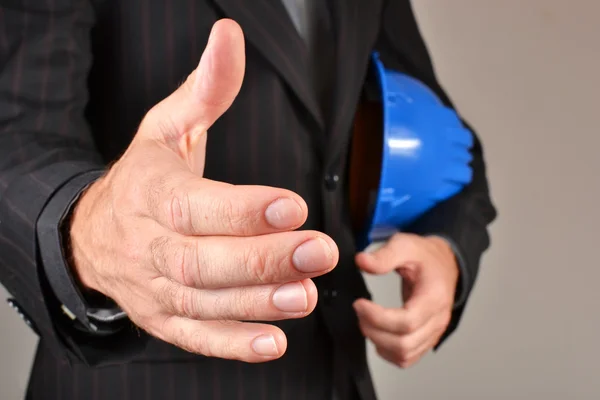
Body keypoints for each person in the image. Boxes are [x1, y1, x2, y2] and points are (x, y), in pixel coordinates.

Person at [0, 1, 497, 399]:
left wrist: (445, 248)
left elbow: (444, 138)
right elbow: (15, 139)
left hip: (335, 376)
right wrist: (92, 231)